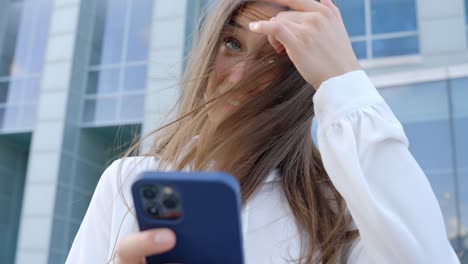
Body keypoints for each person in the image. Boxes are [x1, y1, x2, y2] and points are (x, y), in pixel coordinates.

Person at [65, 0, 461, 263]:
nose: (239, 78)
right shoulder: (126, 183)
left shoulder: (337, 210)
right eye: (232, 43)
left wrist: (344, 80)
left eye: (276, 57)